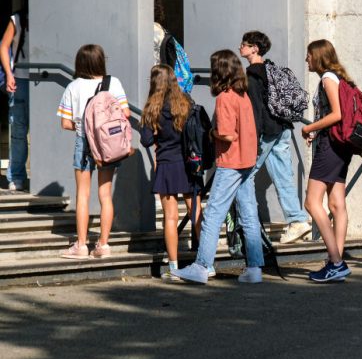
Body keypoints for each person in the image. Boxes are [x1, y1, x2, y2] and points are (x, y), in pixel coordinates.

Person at [171, 49, 264, 284]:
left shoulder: (225, 97)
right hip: (247, 161)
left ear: (219, 71)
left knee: (213, 212)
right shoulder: (242, 95)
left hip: (231, 162)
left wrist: (212, 133)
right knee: (249, 214)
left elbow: (226, 134)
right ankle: (254, 268)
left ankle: (202, 266)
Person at [56, 44, 130, 259]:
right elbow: (124, 113)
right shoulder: (112, 83)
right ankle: (103, 245)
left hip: (84, 143)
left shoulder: (73, 86)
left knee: (83, 195)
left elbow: (65, 124)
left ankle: (80, 245)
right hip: (108, 144)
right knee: (105, 194)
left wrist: (84, 125)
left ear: (80, 63)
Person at [239, 30, 312, 243]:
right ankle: (298, 220)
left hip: (267, 131)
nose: (240, 46)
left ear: (255, 48)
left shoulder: (252, 75)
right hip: (283, 126)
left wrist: (254, 136)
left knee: (245, 174)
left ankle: (249, 224)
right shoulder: (272, 69)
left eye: (244, 44)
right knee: (282, 175)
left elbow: (256, 110)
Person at [140, 64, 204, 281]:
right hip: (188, 163)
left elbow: (146, 140)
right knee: (194, 210)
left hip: (166, 164)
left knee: (170, 216)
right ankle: (205, 262)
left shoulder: (152, 108)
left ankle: (174, 267)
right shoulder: (185, 103)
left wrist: (155, 131)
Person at [301, 39, 354, 282]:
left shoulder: (327, 79)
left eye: (309, 56)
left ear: (319, 57)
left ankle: (335, 261)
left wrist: (310, 127)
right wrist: (317, 131)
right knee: (336, 204)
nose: (306, 60)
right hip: (340, 145)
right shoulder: (338, 77)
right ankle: (336, 262)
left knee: (312, 203)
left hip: (331, 146)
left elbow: (336, 114)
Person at [0, 2, 29, 191]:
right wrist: (9, 74)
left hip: (44, 78)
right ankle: (16, 175)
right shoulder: (17, 19)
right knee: (18, 130)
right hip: (20, 79)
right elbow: (4, 45)